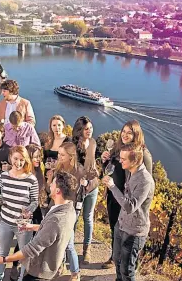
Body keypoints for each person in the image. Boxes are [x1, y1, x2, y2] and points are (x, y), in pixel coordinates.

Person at [0, 171, 78, 281]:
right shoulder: (69, 209)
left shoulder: (57, 219)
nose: (50, 185)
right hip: (48, 269)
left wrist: (3, 259)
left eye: (53, 183)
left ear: (57, 191)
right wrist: (31, 227)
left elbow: (31, 249)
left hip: (39, 273)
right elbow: (52, 231)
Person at [100, 120, 153, 269]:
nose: (125, 135)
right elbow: (112, 169)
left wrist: (141, 207)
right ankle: (114, 258)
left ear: (136, 134)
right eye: (123, 131)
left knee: (128, 236)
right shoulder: (119, 148)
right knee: (115, 228)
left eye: (129, 132)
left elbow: (146, 184)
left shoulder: (144, 155)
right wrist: (105, 161)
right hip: (113, 195)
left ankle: (129, 266)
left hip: (128, 201)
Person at [46, 142, 98, 281]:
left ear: (71, 156)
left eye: (62, 155)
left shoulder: (79, 171)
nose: (59, 157)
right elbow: (49, 191)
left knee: (68, 243)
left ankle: (75, 273)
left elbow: (91, 185)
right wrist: (50, 179)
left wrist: (87, 183)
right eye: (59, 154)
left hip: (69, 211)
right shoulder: (58, 167)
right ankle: (61, 265)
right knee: (58, 241)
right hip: (55, 208)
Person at [0, 146, 39, 281]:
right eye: (16, 158)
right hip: (5, 222)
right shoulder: (3, 177)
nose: (18, 162)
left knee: (23, 255)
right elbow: (4, 198)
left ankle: (22, 279)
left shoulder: (31, 179)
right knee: (2, 253)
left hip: (23, 225)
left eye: (22, 160)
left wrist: (29, 211)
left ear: (26, 160)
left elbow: (35, 201)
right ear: (10, 158)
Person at [70, 116, 100, 265]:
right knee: (74, 219)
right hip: (77, 189)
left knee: (88, 218)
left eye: (91, 128)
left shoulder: (93, 143)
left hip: (92, 186)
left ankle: (86, 250)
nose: (90, 131)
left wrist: (95, 175)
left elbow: (93, 164)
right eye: (86, 129)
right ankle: (70, 248)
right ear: (79, 130)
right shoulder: (73, 146)